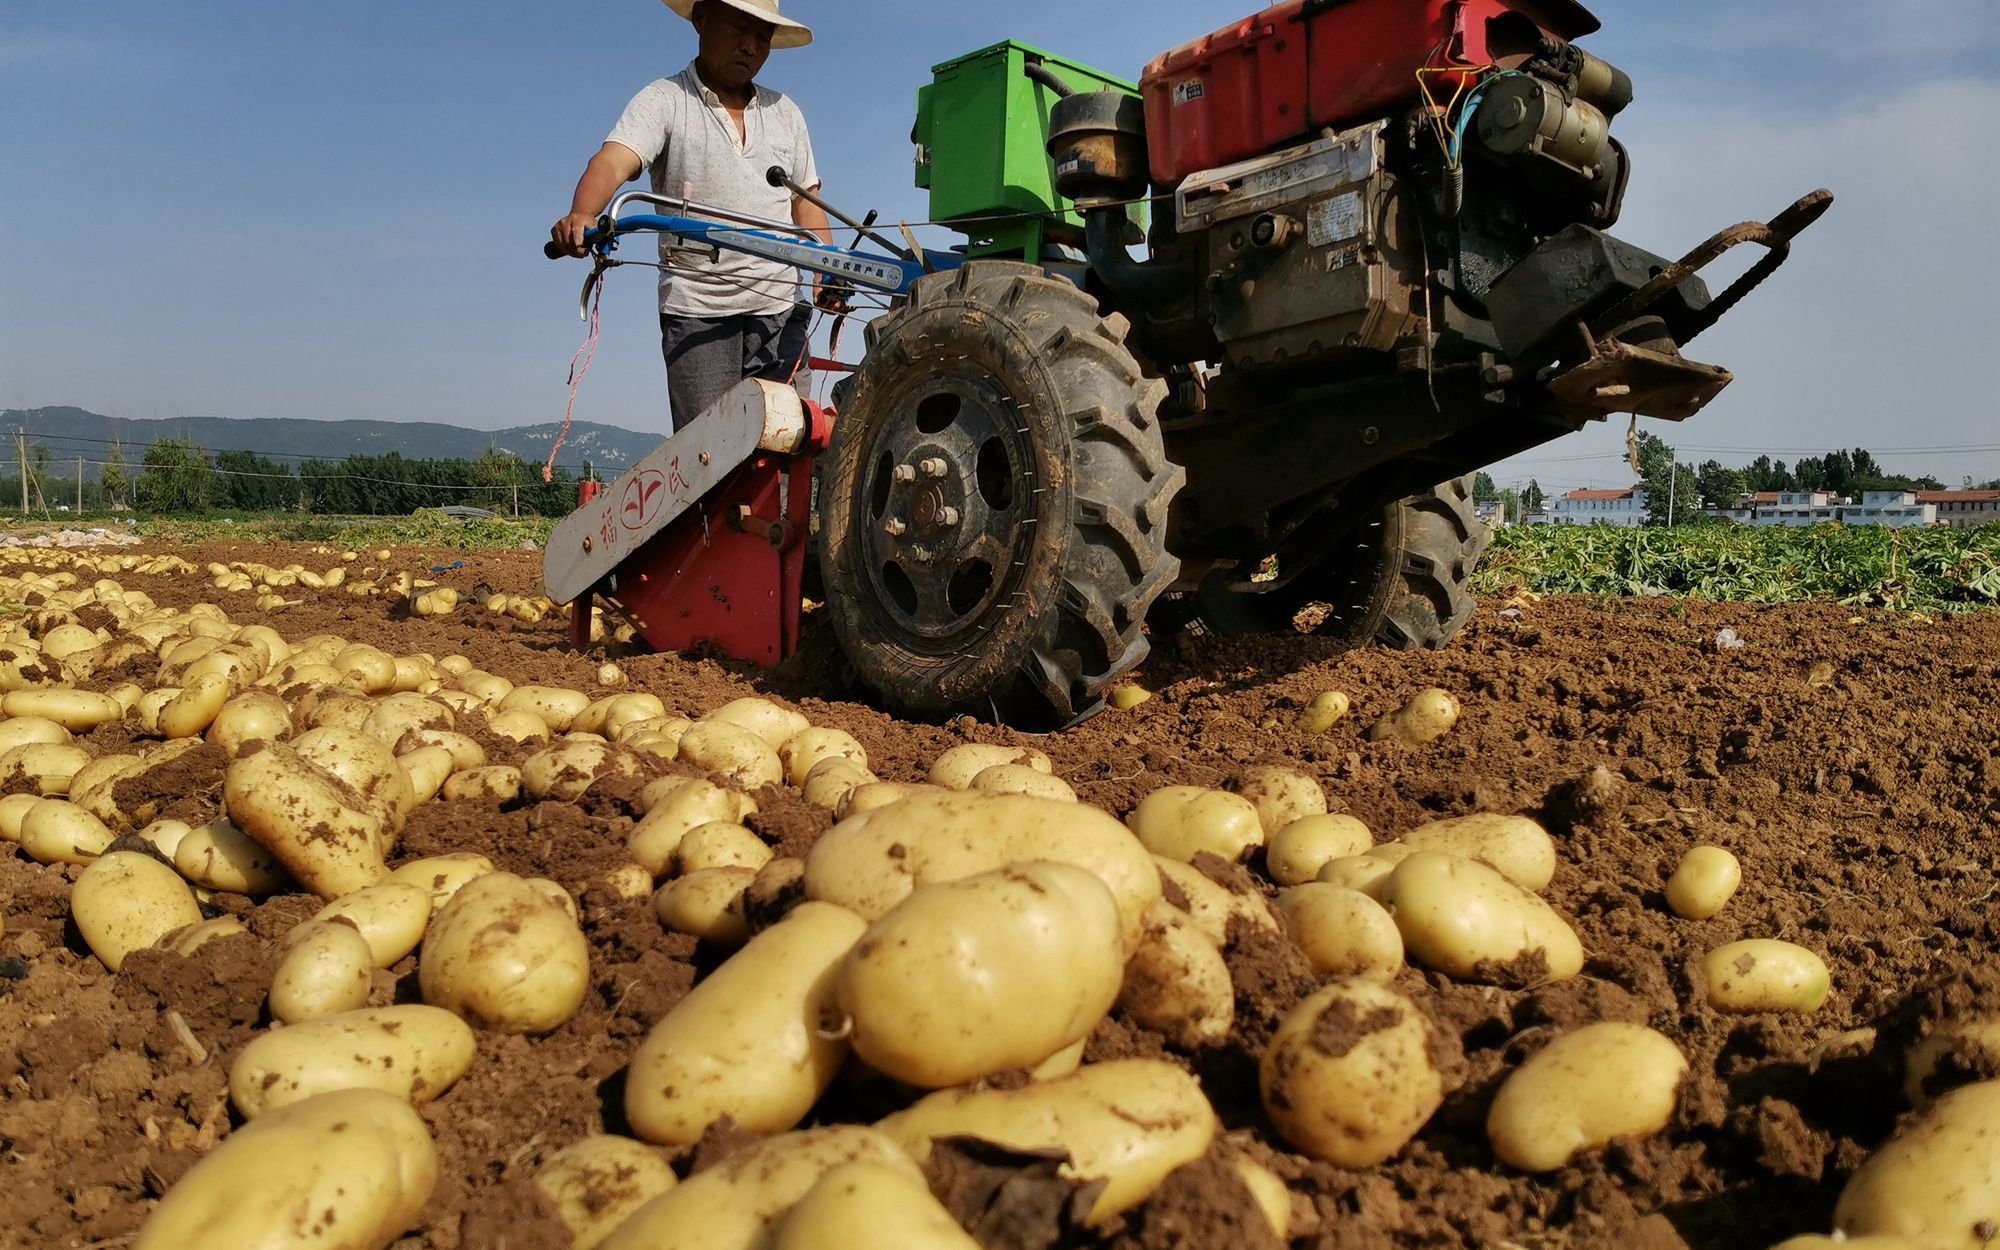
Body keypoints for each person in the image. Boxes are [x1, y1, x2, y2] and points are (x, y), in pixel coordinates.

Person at [551, 0, 836, 431]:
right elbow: (613, 161)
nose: (751, 46)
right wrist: (583, 213)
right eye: (740, 28)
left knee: (784, 448)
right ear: (701, 18)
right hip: (698, 312)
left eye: (763, 37)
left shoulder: (785, 113)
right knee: (710, 457)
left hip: (780, 311)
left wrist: (827, 266)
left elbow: (805, 201)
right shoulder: (666, 101)